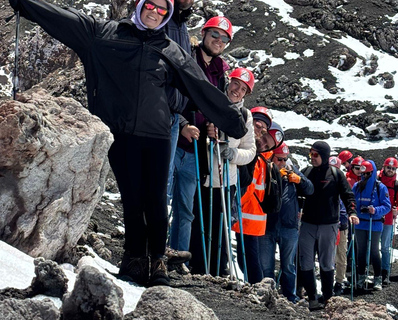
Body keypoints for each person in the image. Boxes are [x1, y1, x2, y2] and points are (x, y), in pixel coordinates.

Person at [9, 0, 247, 287]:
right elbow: (64, 18)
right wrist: (25, 3)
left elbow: (200, 86)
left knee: (156, 199)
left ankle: (157, 260)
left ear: (168, 15)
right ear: (139, 4)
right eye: (151, 5)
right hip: (120, 134)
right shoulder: (103, 33)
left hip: (157, 135)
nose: (155, 12)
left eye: (163, 10)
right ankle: (134, 259)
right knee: (133, 198)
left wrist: (232, 119)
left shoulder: (171, 49)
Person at [169, 16, 233, 259]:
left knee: (186, 210)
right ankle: (151, 252)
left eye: (224, 38)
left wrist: (210, 126)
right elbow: (172, 91)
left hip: (195, 149)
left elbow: (212, 107)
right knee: (161, 201)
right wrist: (183, 123)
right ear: (204, 34)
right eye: (215, 34)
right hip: (173, 138)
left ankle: (178, 257)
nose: (218, 40)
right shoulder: (187, 56)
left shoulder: (220, 73)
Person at [188, 68, 256, 276]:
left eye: (243, 89)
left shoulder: (245, 116)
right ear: (229, 81)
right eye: (236, 84)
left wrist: (233, 154)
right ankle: (197, 266)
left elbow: (251, 150)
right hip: (204, 175)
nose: (237, 90)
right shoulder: (212, 102)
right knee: (198, 222)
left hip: (227, 180)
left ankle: (217, 268)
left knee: (219, 226)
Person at [297, 141, 359, 311]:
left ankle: (328, 298)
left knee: (326, 263)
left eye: (316, 154)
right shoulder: (306, 172)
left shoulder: (336, 174)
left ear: (324, 156)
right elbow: (296, 192)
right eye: (311, 154)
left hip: (329, 225)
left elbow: (348, 195)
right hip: (308, 224)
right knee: (306, 262)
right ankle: (312, 297)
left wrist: (352, 213)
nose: (312, 157)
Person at [259, 142, 314, 302]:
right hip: (268, 225)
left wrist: (298, 180)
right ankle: (267, 296)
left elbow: (310, 189)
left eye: (285, 159)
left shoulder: (292, 169)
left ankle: (290, 296)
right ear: (271, 157)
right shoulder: (265, 169)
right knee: (266, 266)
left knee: (288, 266)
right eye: (279, 159)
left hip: (289, 226)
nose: (283, 163)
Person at [233, 118, 284, 284]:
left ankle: (256, 289)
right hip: (255, 218)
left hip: (247, 215)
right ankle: (256, 288)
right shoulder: (265, 160)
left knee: (247, 259)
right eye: (264, 139)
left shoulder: (257, 159)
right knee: (248, 258)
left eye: (268, 145)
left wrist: (234, 207)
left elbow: (248, 188)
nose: (263, 144)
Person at [165, 0, 194, 204]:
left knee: (163, 186)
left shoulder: (181, 24)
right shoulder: (162, 16)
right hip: (158, 113)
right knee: (156, 185)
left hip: (174, 117)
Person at [352, 160, 391, 291]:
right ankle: (361, 278)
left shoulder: (380, 187)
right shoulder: (357, 186)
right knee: (361, 251)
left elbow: (387, 206)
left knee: (374, 250)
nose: (364, 176)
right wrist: (353, 212)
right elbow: (351, 202)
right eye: (363, 173)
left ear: (372, 172)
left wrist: (375, 210)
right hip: (360, 223)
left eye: (368, 174)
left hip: (374, 224)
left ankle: (378, 278)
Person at [378, 157, 398, 285]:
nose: (390, 170)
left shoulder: (396, 185)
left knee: (385, 247)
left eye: (393, 168)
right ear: (384, 167)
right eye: (388, 167)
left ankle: (385, 273)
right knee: (370, 246)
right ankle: (371, 271)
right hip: (374, 218)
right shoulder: (376, 179)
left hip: (388, 220)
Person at [329, 156, 349, 296]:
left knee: (341, 254)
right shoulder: (323, 183)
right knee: (328, 255)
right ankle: (328, 281)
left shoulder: (343, 184)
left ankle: (339, 281)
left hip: (341, 225)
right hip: (327, 224)